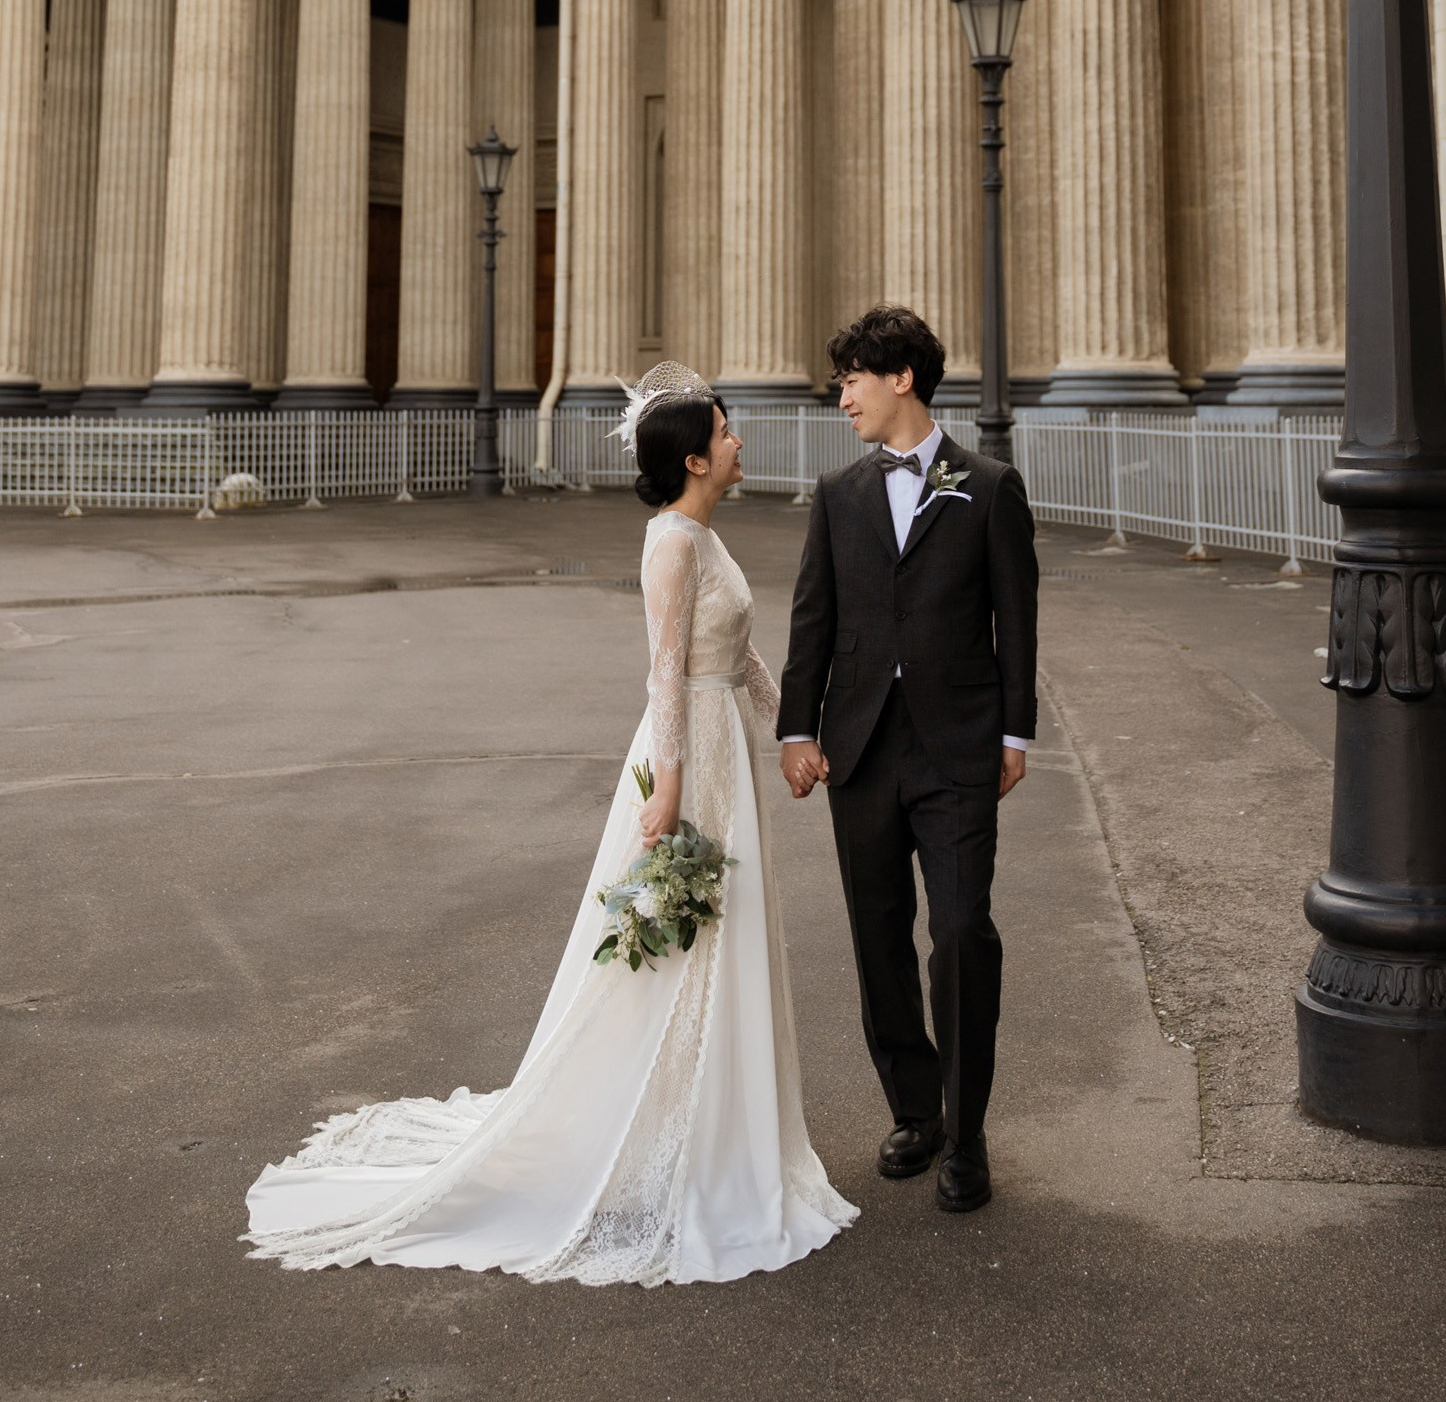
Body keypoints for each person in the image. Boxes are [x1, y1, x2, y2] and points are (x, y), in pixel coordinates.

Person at [244, 364, 856, 1287]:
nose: (740, 443)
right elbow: (666, 676)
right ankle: (658, 1137)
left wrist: (791, 727)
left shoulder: (705, 533)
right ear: (695, 458)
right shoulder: (671, 545)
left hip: (724, 742)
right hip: (688, 761)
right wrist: (670, 795)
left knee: (724, 943)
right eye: (727, 434)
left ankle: (715, 1129)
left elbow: (734, 654)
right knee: (676, 947)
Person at [776, 305, 1039, 1213]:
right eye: (839, 377)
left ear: (902, 381)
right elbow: (815, 617)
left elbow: (1017, 618)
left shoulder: (990, 487)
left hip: (960, 747)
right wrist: (796, 729)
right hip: (859, 746)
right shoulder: (839, 493)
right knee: (878, 938)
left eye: (851, 376)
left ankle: (967, 1135)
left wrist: (1015, 734)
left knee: (963, 934)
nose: (840, 393)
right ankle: (915, 1111)